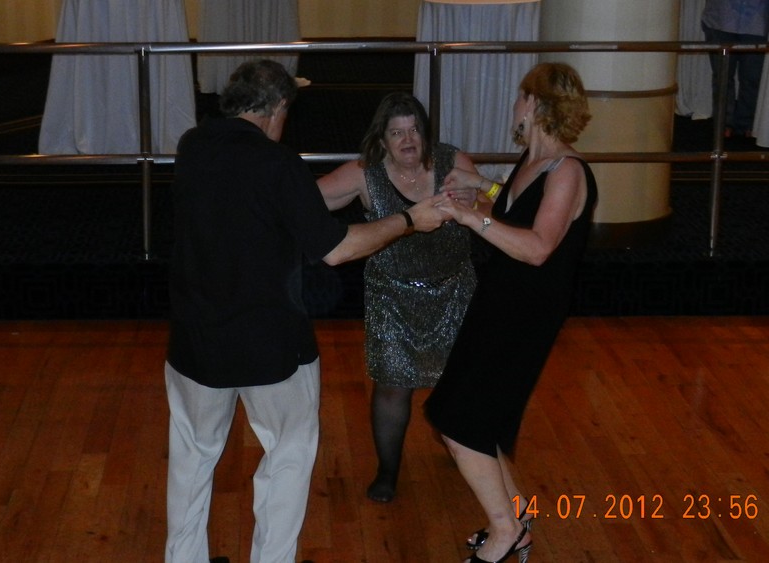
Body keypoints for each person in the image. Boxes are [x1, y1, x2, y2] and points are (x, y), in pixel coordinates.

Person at [164, 60, 452, 563]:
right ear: (278, 107)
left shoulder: (192, 146)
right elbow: (336, 249)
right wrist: (408, 219)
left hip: (195, 339)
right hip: (270, 345)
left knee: (192, 459)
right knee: (288, 455)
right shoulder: (278, 164)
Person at [424, 62, 597, 563]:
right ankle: (517, 522)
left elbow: (539, 247)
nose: (515, 104)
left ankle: (505, 533)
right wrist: (479, 187)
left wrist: (469, 215)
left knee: (459, 423)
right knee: (475, 419)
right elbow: (516, 206)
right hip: (499, 303)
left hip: (525, 315)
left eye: (521, 95)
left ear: (535, 103)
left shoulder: (567, 171)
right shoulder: (533, 161)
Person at [317, 92, 478, 503]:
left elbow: (492, 209)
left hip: (455, 291)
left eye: (414, 130)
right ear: (382, 140)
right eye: (396, 133)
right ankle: (387, 471)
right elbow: (307, 202)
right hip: (392, 295)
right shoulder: (365, 173)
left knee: (461, 382)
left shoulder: (453, 163)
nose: (408, 140)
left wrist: (476, 200)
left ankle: (459, 444)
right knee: (392, 386)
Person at [701, 0, 769, 139]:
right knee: (722, 76)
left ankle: (748, 122)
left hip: (758, 19)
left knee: (752, 77)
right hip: (720, 17)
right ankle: (723, 123)